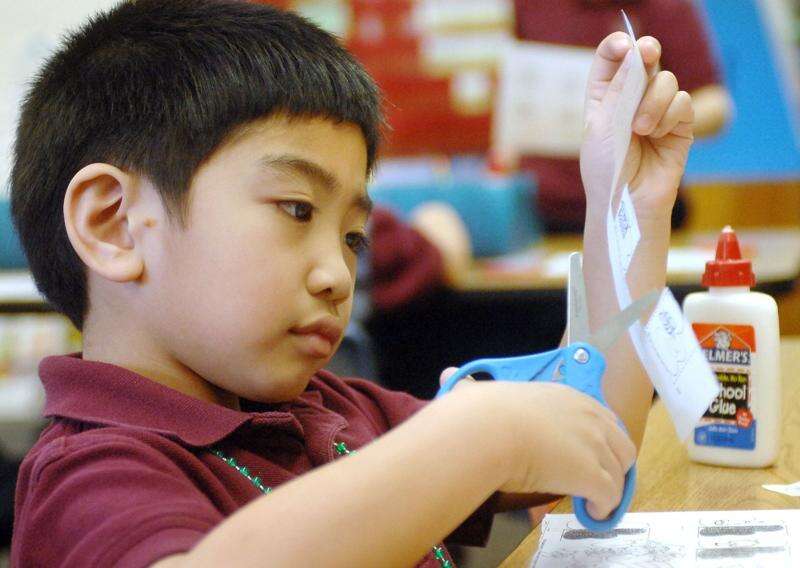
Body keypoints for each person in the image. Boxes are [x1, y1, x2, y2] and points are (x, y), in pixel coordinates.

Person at [9, 1, 694, 566]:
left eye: (353, 238)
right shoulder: (87, 476)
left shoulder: (333, 409)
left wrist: (625, 207)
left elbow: (590, 431)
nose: (339, 276)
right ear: (114, 225)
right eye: (296, 210)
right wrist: (482, 438)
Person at [513, 0, 730, 232]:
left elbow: (715, 104)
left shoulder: (669, 7)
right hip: (543, 208)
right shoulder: (525, 6)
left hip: (642, 204)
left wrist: (656, 119)